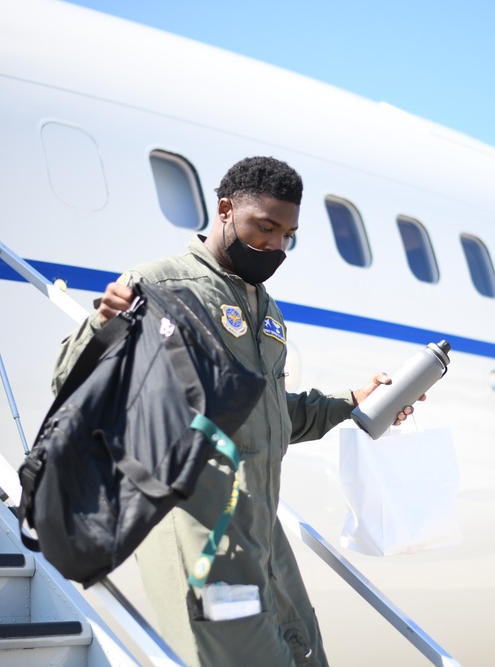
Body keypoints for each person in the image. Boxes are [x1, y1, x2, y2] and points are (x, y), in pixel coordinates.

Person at [51, 156, 421, 666]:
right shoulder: (162, 285)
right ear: (225, 210)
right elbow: (70, 382)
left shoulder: (266, 309)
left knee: (307, 657)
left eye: (288, 235)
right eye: (264, 229)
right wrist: (101, 326)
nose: (275, 246)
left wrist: (352, 403)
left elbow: (268, 416)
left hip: (262, 535)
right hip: (202, 530)